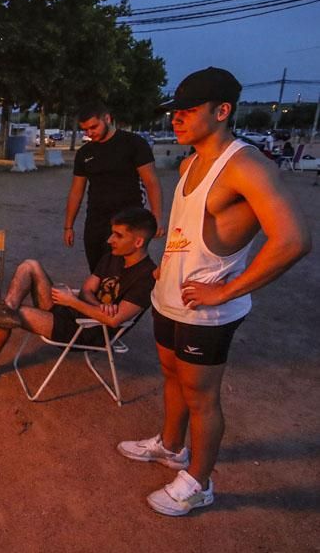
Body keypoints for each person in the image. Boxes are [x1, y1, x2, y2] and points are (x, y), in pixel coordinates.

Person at [117, 67, 310, 517]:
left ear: (222, 111)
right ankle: (170, 446)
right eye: (175, 112)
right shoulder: (188, 163)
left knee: (201, 396)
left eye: (188, 111)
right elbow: (187, 228)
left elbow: (294, 239)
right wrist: (164, 267)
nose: (177, 120)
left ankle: (199, 483)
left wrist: (226, 292)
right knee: (170, 375)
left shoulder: (246, 165)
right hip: (169, 298)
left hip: (207, 312)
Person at [0, 207, 158, 384]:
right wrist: (97, 305)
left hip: (88, 331)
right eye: (112, 233)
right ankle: (6, 309)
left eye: (118, 235)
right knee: (29, 265)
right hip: (73, 313)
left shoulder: (146, 277)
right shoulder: (112, 257)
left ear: (138, 242)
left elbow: (114, 321)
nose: (110, 239)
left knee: (17, 314)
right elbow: (87, 290)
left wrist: (75, 302)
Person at [64, 101, 164, 272]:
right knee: (97, 270)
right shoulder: (84, 153)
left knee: (123, 270)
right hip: (96, 221)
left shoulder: (133, 144)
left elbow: (151, 182)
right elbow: (76, 191)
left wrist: (157, 218)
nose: (89, 133)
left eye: (93, 127)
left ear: (107, 118)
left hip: (129, 221)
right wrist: (68, 226)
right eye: (85, 130)